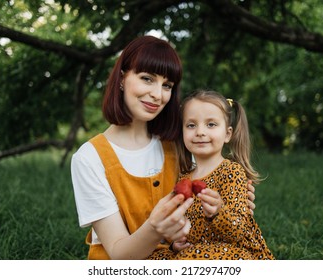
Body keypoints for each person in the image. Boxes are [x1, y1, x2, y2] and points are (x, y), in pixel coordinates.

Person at [71, 36, 256, 260]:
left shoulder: (179, 144)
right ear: (122, 78)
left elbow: (207, 208)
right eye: (147, 79)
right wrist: (155, 228)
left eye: (166, 85)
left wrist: (229, 202)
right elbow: (119, 255)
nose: (158, 95)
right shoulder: (89, 158)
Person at [148, 89, 274, 260]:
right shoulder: (183, 178)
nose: (200, 132)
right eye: (191, 125)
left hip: (233, 253)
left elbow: (238, 231)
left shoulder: (232, 172)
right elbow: (178, 224)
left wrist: (218, 211)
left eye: (211, 124)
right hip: (196, 252)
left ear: (227, 134)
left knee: (192, 257)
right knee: (155, 258)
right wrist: (175, 243)